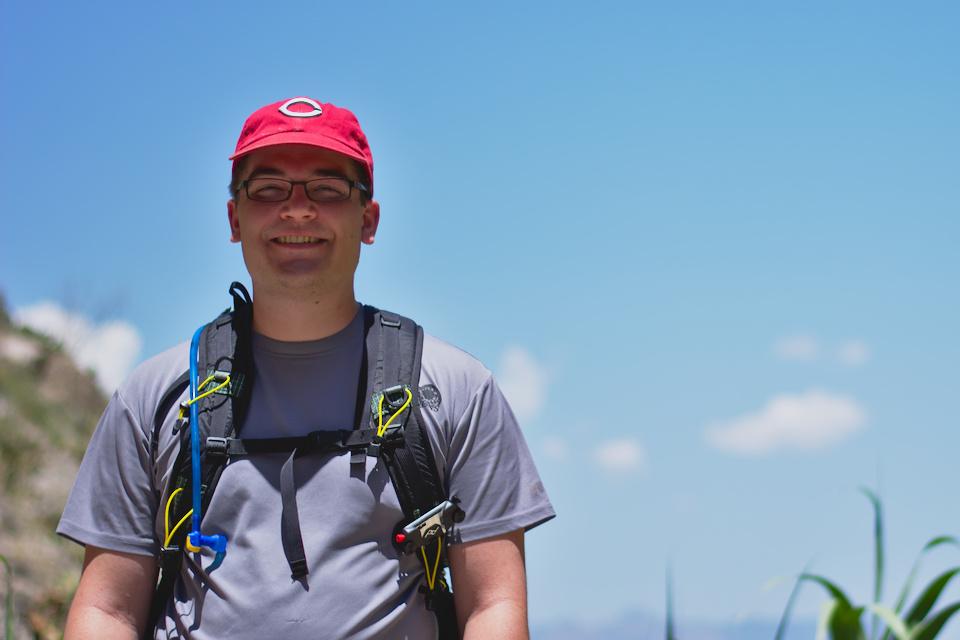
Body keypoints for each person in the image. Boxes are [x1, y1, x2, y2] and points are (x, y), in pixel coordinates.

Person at [57, 96, 555, 639]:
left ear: (368, 219)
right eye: (268, 189)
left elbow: (494, 607)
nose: (296, 210)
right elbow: (107, 612)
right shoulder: (154, 397)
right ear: (234, 218)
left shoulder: (456, 389)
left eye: (326, 188)